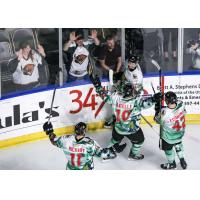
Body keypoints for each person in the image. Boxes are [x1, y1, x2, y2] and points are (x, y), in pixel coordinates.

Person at [90, 75, 161, 160]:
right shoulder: (136, 101)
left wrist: (98, 86)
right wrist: (154, 99)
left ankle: (108, 153)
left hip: (118, 127)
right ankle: (133, 155)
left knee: (115, 138)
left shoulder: (115, 98)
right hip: (132, 130)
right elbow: (146, 103)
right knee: (140, 141)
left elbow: (104, 96)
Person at [43, 121, 126, 170]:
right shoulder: (89, 144)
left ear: (75, 131)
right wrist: (114, 150)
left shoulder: (65, 140)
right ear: (84, 131)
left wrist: (49, 131)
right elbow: (102, 154)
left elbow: (54, 141)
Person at [104, 54, 143, 128]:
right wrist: (120, 77)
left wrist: (119, 87)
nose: (130, 65)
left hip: (133, 95)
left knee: (120, 105)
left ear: (136, 64)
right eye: (130, 62)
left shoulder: (137, 76)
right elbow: (126, 75)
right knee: (116, 104)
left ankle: (129, 122)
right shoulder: (129, 67)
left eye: (133, 63)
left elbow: (134, 91)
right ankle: (115, 118)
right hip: (126, 89)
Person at [155, 91, 187, 170]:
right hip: (180, 133)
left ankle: (172, 163)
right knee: (178, 144)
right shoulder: (181, 104)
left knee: (168, 150)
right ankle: (182, 160)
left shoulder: (164, 112)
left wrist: (157, 107)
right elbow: (181, 112)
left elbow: (157, 120)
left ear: (166, 101)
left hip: (168, 137)